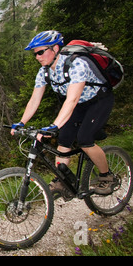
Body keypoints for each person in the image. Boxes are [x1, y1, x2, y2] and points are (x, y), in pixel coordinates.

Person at [11, 30, 117, 198]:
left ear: (55, 49)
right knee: (63, 142)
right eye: (35, 54)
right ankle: (63, 182)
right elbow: (34, 100)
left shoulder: (77, 64)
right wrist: (21, 122)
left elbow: (72, 99)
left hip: (99, 100)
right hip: (79, 105)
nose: (37, 57)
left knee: (85, 140)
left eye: (40, 52)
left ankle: (107, 177)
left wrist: (54, 125)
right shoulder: (44, 72)